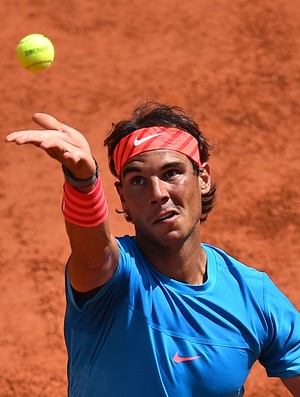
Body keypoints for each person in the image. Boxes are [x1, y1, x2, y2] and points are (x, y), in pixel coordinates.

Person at [5, 101, 300, 397]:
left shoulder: (253, 296)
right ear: (122, 197)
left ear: (204, 178)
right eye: (137, 181)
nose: (157, 193)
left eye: (172, 173)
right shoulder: (114, 278)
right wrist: (84, 182)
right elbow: (95, 255)